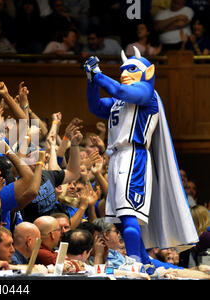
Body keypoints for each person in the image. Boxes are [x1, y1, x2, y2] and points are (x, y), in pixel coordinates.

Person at [83, 45, 199, 273]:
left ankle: (133, 261)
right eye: (122, 69)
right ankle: (146, 261)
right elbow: (95, 106)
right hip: (116, 157)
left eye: (131, 69)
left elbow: (121, 91)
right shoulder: (119, 99)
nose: (124, 73)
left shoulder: (147, 92)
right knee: (120, 218)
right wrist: (91, 81)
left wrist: (98, 75)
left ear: (148, 71)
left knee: (128, 213)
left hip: (134, 155)